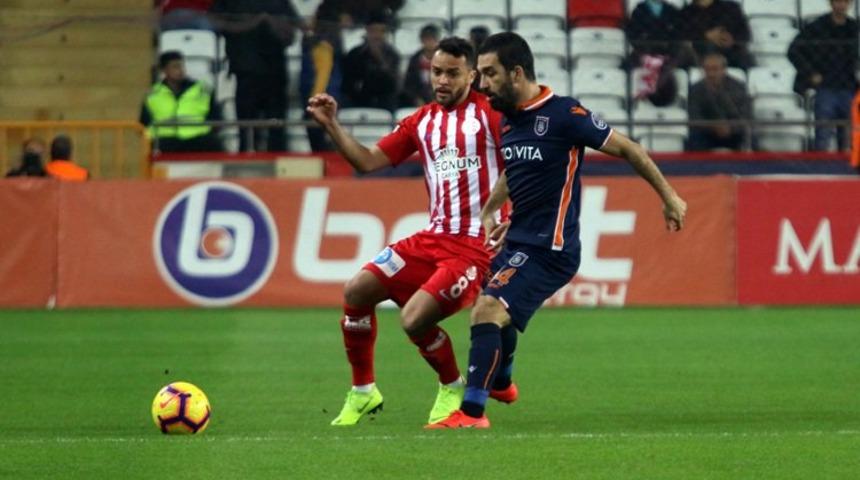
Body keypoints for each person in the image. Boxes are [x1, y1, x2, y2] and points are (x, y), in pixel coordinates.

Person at [428, 32, 687, 429]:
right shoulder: (511, 121)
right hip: (520, 241)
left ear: (516, 73)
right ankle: (502, 381)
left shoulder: (564, 114)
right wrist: (491, 210)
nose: (482, 84)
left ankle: (473, 413)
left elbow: (629, 148)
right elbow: (516, 172)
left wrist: (669, 197)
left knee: (487, 310)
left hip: (552, 248)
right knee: (494, 315)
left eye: (489, 73)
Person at [306, 37, 510, 426]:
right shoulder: (422, 121)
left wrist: (508, 217)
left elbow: (522, 166)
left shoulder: (491, 115)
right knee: (356, 291)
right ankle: (364, 391)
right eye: (437, 72)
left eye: (453, 73)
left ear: (471, 74)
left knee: (414, 319)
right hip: (432, 238)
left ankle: (452, 385)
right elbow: (367, 161)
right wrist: (332, 125)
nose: (443, 81)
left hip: (472, 247)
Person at [209, 0, 301, 152]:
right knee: (246, 122)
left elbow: (292, 31)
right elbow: (215, 21)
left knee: (276, 123)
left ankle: (276, 155)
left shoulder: (280, 3)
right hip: (245, 69)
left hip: (274, 69)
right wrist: (250, 24)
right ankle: (245, 153)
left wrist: (271, 22)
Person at [788, 0, 859, 151]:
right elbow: (794, 50)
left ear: (850, 4)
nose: (841, 5)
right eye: (838, 1)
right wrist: (810, 73)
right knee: (823, 133)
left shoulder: (854, 28)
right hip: (825, 87)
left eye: (845, 2)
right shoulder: (817, 27)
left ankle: (846, 170)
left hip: (849, 86)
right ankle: (821, 167)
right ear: (831, 3)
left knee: (849, 136)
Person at [140, 51, 223, 153]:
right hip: (165, 141)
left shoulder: (202, 90)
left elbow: (217, 119)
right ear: (164, 70)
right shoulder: (152, 95)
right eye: (175, 67)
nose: (181, 70)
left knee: (215, 143)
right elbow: (144, 124)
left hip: (198, 139)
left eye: (182, 66)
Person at [300, 5, 344, 152]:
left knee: (320, 147)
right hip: (327, 98)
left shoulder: (322, 46)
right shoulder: (330, 43)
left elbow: (322, 76)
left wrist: (315, 100)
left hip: (320, 101)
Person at [687, 52, 751, 151]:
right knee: (694, 137)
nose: (711, 74)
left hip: (732, 132)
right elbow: (694, 116)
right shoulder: (696, 89)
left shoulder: (738, 87)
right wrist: (713, 127)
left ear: (724, 70)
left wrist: (730, 128)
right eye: (707, 69)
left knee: (748, 136)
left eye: (715, 69)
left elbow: (745, 114)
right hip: (707, 132)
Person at [341, 12, 400, 111]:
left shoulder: (392, 55)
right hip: (358, 100)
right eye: (374, 31)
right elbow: (347, 85)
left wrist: (380, 59)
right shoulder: (354, 54)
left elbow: (393, 84)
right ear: (367, 31)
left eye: (381, 31)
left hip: (383, 102)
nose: (377, 35)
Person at [679, 0, 753, 70]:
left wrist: (730, 39)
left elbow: (745, 35)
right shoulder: (685, 14)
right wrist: (705, 36)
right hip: (699, 59)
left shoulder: (731, 8)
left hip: (732, 57)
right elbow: (680, 39)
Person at [400, 24, 440, 107]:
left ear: (437, 40)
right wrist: (416, 99)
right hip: (417, 104)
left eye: (432, 39)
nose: (430, 42)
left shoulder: (446, 60)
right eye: (427, 39)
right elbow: (408, 85)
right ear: (421, 40)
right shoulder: (414, 60)